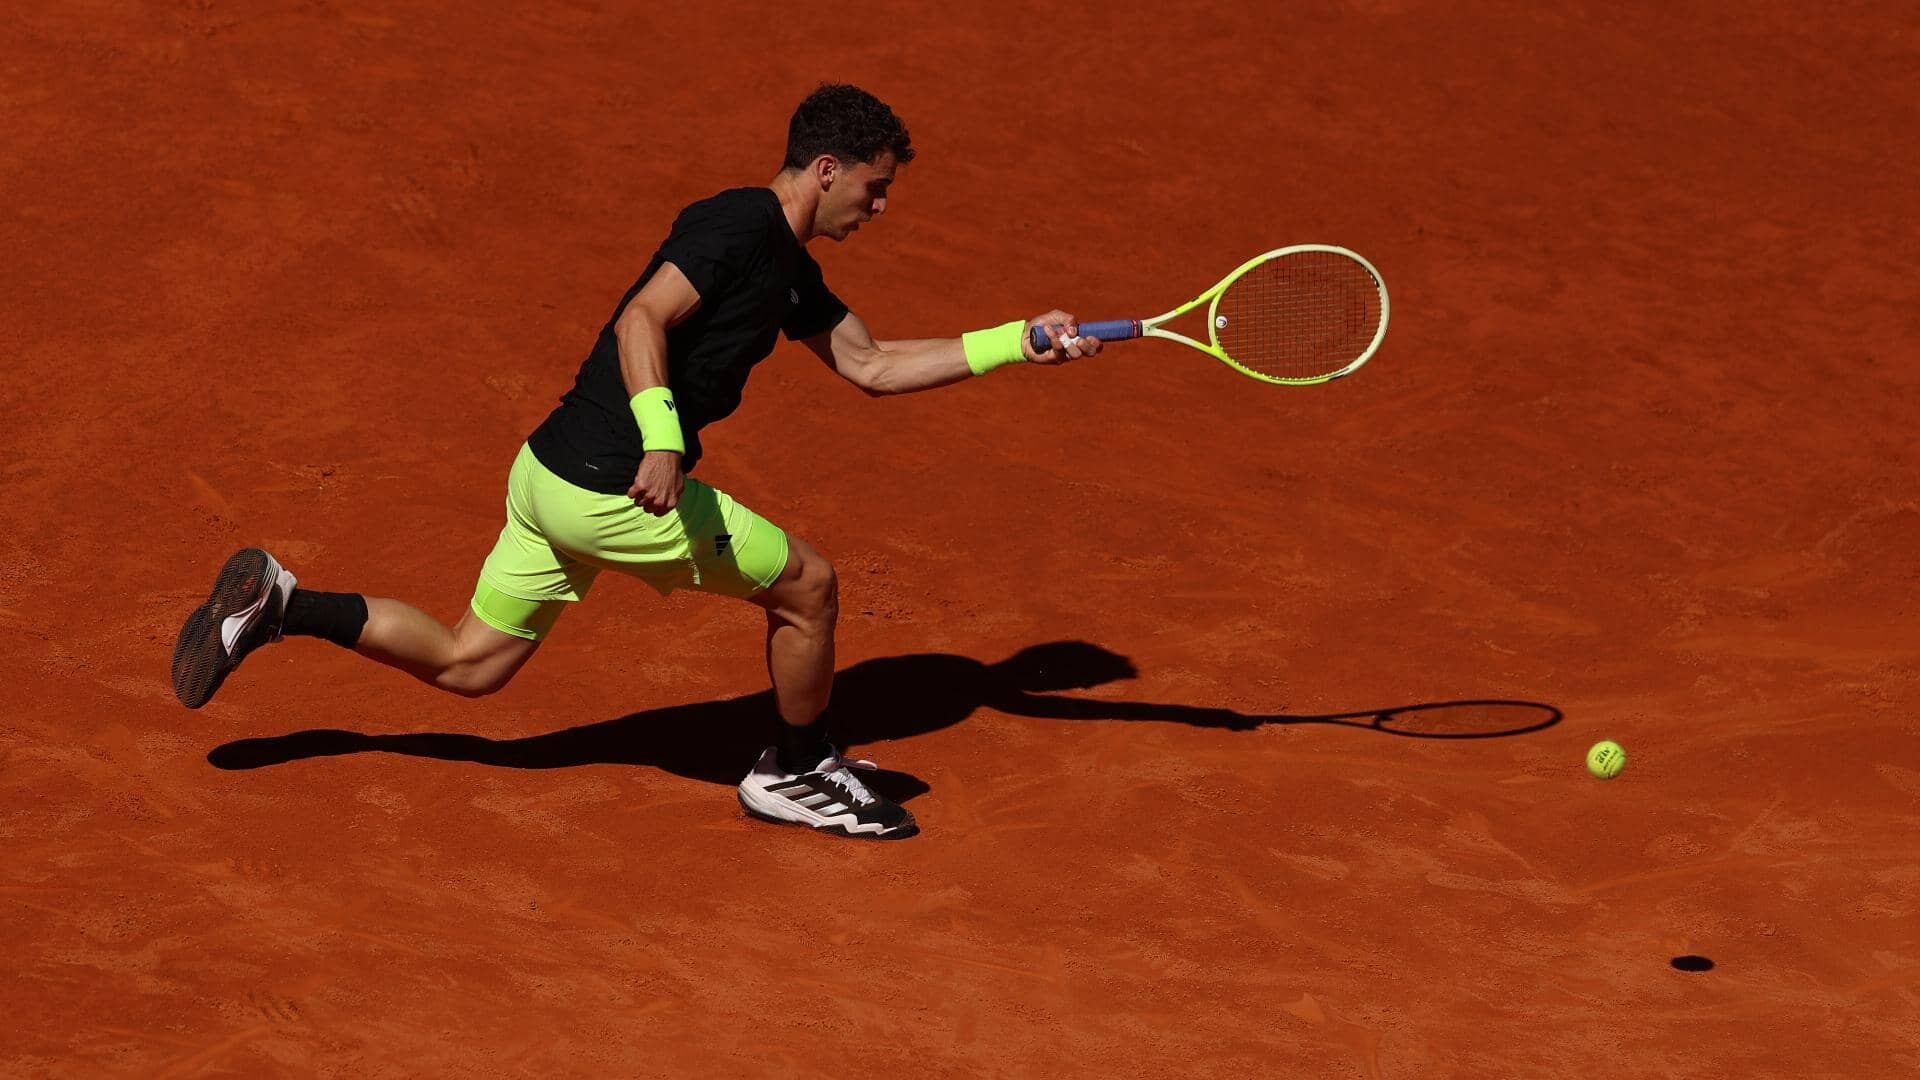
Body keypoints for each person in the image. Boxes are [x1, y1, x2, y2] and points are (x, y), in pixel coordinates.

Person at [171, 83, 1100, 841]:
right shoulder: (738, 226)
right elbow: (642, 316)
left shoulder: (787, 266)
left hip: (547, 473)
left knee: (469, 665)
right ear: (827, 168)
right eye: (875, 185)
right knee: (809, 587)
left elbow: (873, 364)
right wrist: (662, 436)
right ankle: (797, 767)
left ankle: (282, 604)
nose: (881, 205)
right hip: (617, 483)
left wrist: (1018, 340)